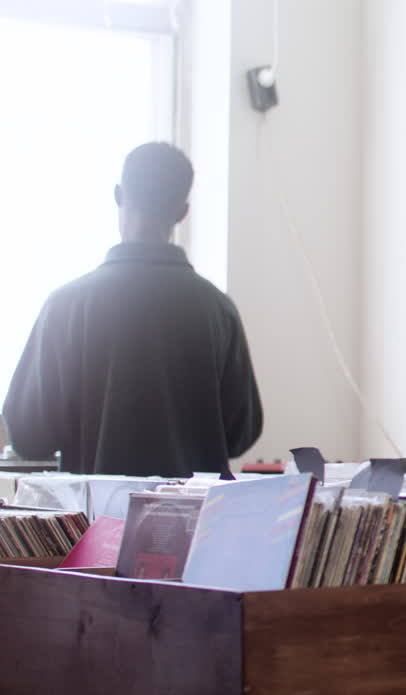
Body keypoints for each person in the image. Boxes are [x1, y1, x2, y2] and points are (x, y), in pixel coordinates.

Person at [2, 142, 262, 477]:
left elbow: (29, 437)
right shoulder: (218, 310)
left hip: (97, 510)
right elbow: (240, 435)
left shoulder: (67, 306)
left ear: (119, 195)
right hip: (198, 511)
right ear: (182, 212)